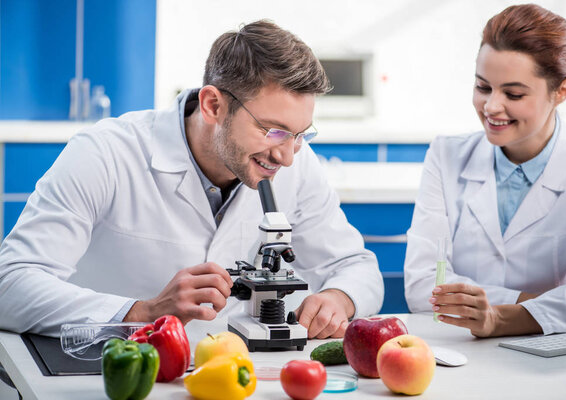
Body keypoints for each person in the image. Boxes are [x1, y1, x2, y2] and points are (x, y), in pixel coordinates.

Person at [0, 20, 383, 339]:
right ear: (213, 105)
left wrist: (339, 297)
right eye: (272, 130)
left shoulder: (297, 163)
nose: (286, 156)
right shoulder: (106, 153)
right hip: (112, 371)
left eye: (301, 135)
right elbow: (10, 284)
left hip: (229, 376)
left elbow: (358, 267)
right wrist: (142, 311)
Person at [404, 4, 566, 337]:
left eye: (513, 93)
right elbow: (423, 284)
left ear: (562, 90)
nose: (491, 106)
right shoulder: (447, 155)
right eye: (483, 87)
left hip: (553, 358)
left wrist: (500, 318)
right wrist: (530, 303)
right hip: (459, 350)